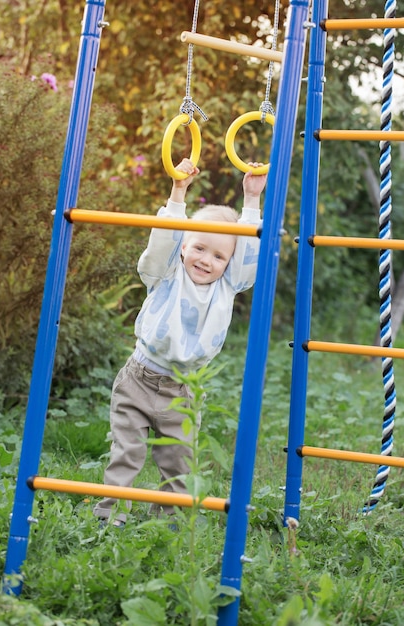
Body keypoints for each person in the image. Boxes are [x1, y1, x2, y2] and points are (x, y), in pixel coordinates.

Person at [94, 158, 267, 527]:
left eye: (220, 255)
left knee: (179, 462)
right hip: (138, 379)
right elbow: (163, 240)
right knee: (126, 452)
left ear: (229, 263)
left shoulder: (228, 286)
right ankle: (110, 519)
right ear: (185, 245)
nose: (207, 260)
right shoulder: (167, 273)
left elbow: (249, 254)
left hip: (183, 390)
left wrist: (251, 199)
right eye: (200, 248)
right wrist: (178, 192)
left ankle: (166, 525)